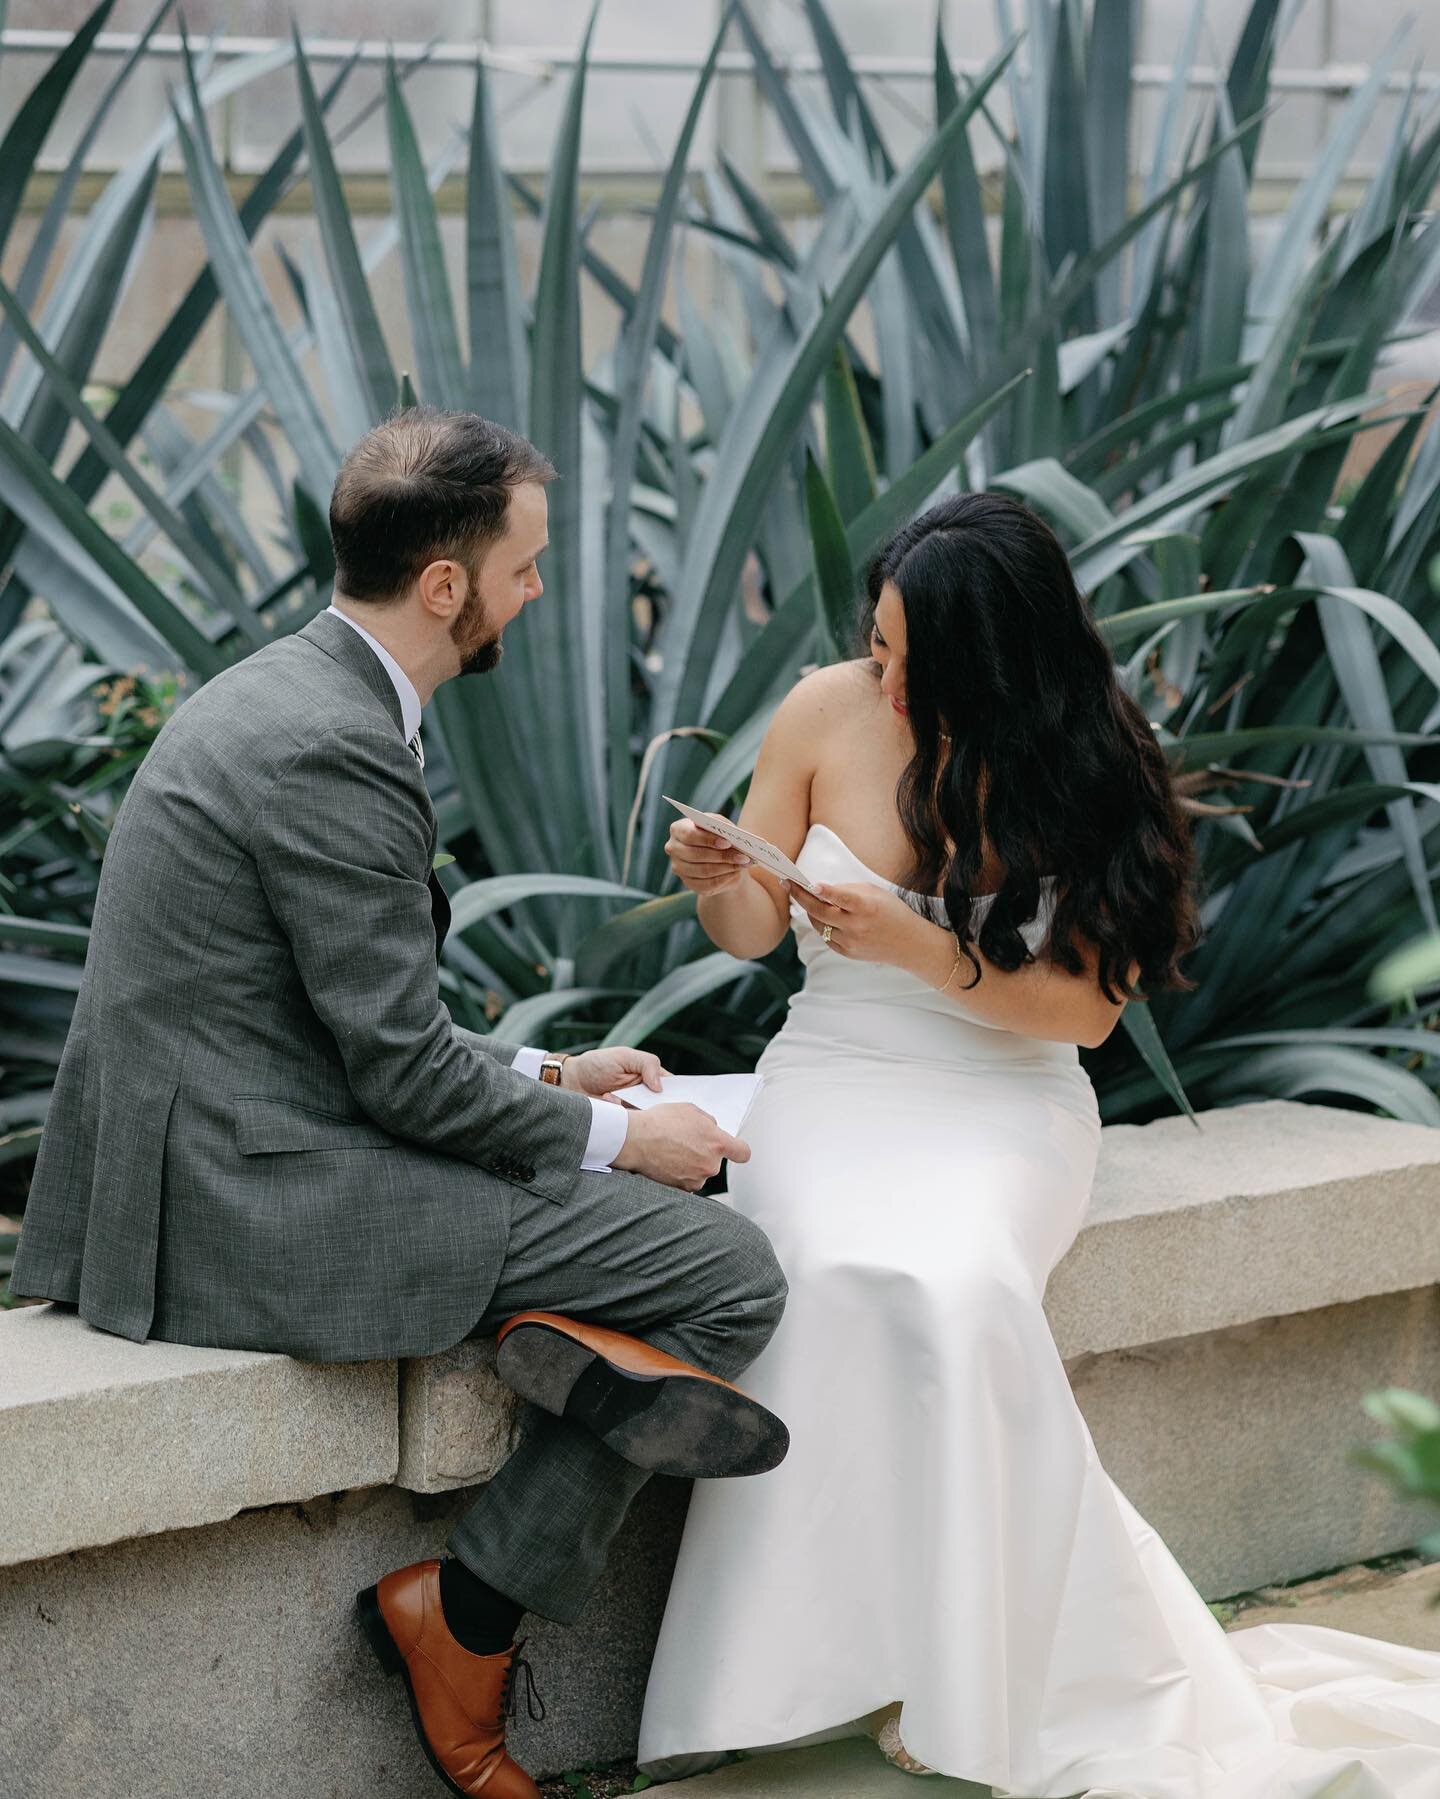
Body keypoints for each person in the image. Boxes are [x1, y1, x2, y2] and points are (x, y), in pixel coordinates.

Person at [10, 406, 791, 1799]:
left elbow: (347, 1017)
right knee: (726, 1271)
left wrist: (556, 1073)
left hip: (249, 1138)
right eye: (526, 568)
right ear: (448, 587)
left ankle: (559, 1332)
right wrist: (628, 1138)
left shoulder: (293, 693)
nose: (538, 594)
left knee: (614, 1212)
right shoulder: (338, 744)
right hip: (256, 1202)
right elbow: (396, 1071)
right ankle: (466, 1618)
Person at [638, 490, 1440, 1797]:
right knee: (834, 1272)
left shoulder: (1086, 763)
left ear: (996, 661)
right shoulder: (823, 710)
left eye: (910, 657)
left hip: (1004, 1095)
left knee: (957, 1287)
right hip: (837, 1079)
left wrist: (921, 946)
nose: (882, 674)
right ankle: (828, 1666)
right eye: (879, 643)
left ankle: (973, 1676)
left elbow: (1086, 1006)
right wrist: (720, 880)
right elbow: (745, 935)